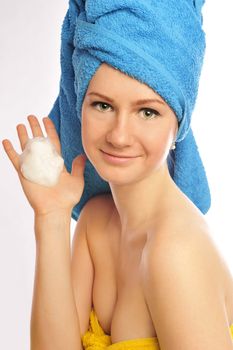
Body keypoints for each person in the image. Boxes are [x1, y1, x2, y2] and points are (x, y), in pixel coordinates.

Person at [2, 1, 233, 350]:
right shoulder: (96, 223)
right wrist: (51, 217)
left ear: (179, 123)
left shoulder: (174, 251)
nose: (119, 135)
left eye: (148, 112)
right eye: (103, 105)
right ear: (80, 104)